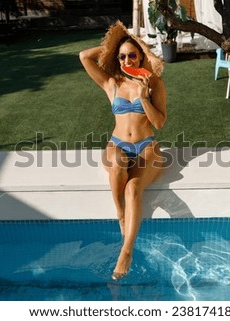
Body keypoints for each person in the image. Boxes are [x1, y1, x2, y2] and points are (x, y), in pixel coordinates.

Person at [79, 21, 167, 280]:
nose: (127, 59)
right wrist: (114, 45)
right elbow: (84, 56)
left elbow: (159, 123)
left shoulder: (154, 84)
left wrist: (143, 96)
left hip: (146, 147)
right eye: (122, 56)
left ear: (140, 56)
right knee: (117, 166)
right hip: (117, 144)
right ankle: (120, 215)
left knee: (133, 188)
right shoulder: (111, 83)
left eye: (132, 55)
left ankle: (126, 250)